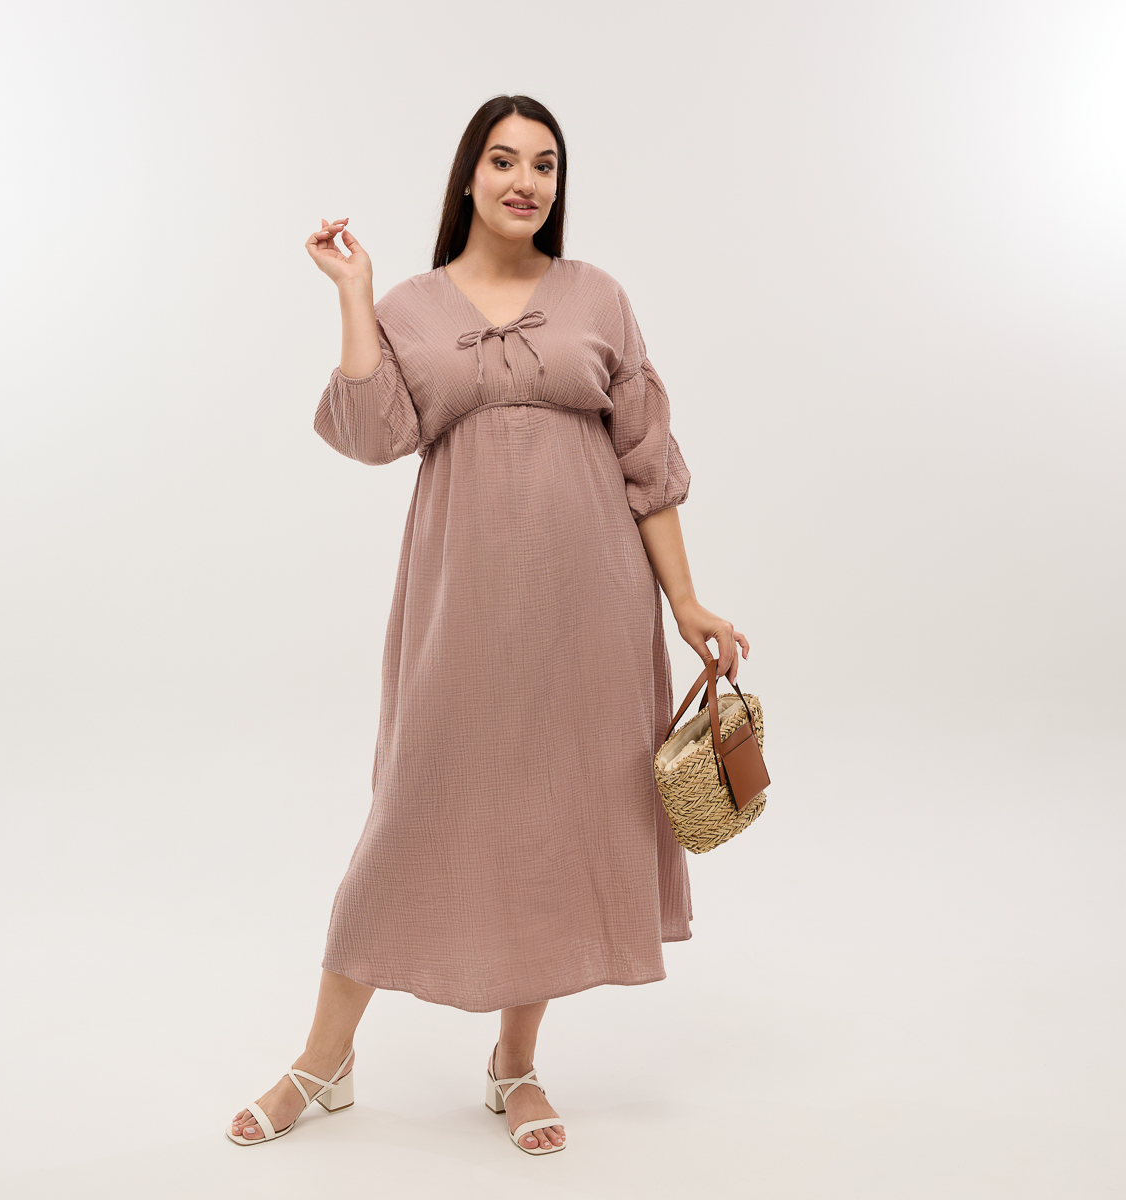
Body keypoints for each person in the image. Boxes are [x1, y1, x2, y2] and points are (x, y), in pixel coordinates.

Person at [228, 93, 749, 1155]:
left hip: (592, 610)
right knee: (409, 816)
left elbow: (648, 461)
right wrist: (356, 295)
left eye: (545, 165)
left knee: (553, 822)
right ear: (469, 176)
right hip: (458, 609)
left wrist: (686, 601)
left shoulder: (598, 295)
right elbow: (371, 433)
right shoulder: (413, 305)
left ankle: (515, 1065)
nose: (526, 181)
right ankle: (323, 1060)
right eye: (505, 160)